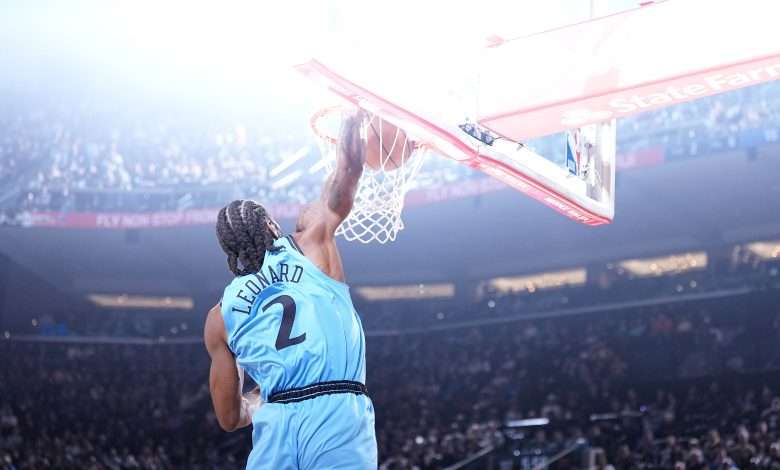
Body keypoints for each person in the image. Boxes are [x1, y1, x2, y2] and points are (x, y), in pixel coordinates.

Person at [204, 109, 376, 469]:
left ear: (227, 250)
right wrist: (353, 119)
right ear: (269, 224)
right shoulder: (309, 246)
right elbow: (348, 174)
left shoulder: (220, 316)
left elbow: (229, 418)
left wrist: (262, 399)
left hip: (276, 427)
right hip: (336, 411)